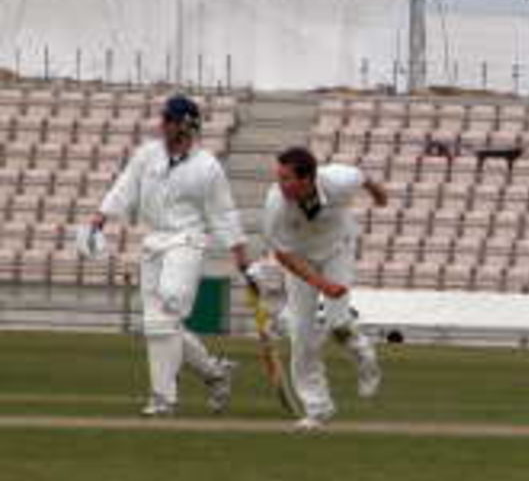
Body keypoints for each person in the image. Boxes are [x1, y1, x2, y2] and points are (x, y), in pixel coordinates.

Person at [81, 94, 253, 417]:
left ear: (186, 126)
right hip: (154, 241)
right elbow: (125, 186)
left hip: (188, 240)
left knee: (165, 313)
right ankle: (215, 373)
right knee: (158, 324)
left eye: (169, 120)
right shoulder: (148, 155)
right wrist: (101, 216)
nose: (162, 125)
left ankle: (163, 399)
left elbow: (223, 214)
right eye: (164, 119)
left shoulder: (208, 167)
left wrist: (239, 252)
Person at [262, 146, 386, 430]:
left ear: (308, 179)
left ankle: (365, 358)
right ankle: (318, 408)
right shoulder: (275, 203)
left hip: (337, 250)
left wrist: (379, 194)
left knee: (338, 324)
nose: (281, 185)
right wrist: (321, 284)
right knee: (301, 335)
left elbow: (362, 177)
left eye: (287, 179)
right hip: (300, 260)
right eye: (278, 178)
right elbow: (283, 255)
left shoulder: (336, 180)